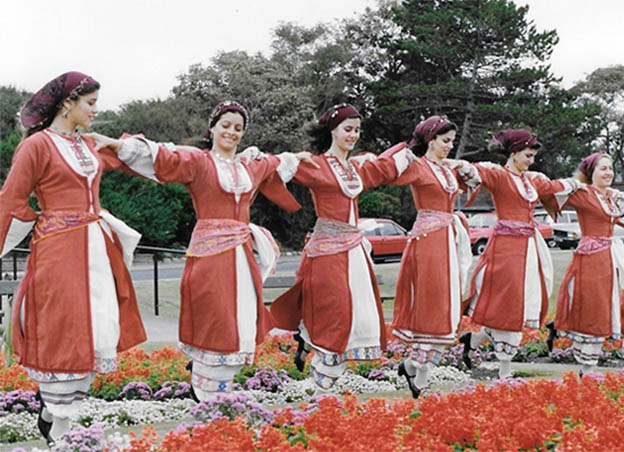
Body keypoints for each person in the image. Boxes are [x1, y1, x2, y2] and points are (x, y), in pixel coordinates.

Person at [89, 100, 317, 401]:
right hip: (209, 260)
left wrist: (298, 157)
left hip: (242, 259)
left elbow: (278, 162)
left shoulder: (250, 165)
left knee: (240, 321)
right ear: (212, 128)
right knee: (215, 321)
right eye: (226, 125)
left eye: (238, 128)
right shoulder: (199, 162)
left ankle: (221, 394)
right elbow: (163, 156)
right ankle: (208, 393)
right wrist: (118, 145)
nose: (232, 132)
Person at [0, 72, 146, 443]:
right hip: (59, 251)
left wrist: (117, 143)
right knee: (63, 330)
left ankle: (55, 414)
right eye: (90, 103)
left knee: (96, 330)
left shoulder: (88, 145)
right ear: (68, 103)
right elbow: (11, 200)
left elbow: (137, 157)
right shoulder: (37, 146)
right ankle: (59, 425)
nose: (96, 110)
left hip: (96, 249)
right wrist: (44, 222)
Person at [270, 103, 415, 391]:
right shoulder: (316, 165)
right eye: (347, 129)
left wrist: (413, 149)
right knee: (334, 312)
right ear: (332, 131)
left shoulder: (357, 168)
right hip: (328, 251)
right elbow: (275, 171)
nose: (353, 135)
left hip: (354, 249)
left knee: (359, 315)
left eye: (357, 130)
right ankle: (321, 381)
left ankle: (323, 378)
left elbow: (384, 168)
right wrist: (284, 161)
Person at [459, 129, 583, 379]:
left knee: (523, 301)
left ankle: (475, 341)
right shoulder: (499, 175)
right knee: (508, 301)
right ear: (513, 153)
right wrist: (455, 164)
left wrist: (580, 182)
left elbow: (555, 186)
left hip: (529, 248)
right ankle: (504, 370)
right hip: (505, 249)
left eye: (533, 156)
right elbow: (473, 171)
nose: (531, 160)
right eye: (528, 155)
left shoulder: (532, 180)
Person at [388, 115, 481, 398]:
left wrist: (464, 166)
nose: (450, 146)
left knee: (446, 303)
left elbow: (474, 183)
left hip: (447, 240)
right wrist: (404, 151)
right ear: (430, 140)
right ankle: (420, 377)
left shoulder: (447, 169)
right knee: (432, 303)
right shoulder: (418, 166)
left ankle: (412, 367)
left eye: (452, 141)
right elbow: (390, 172)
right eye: (445, 141)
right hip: (428, 241)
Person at [547, 153, 624, 375]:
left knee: (607, 304)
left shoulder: (612, 197)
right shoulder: (583, 194)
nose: (608, 173)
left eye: (610, 168)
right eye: (603, 169)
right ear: (591, 173)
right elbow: (550, 193)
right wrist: (571, 184)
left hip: (609, 257)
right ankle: (587, 368)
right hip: (590, 260)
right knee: (593, 307)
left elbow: (617, 219)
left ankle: (588, 366)